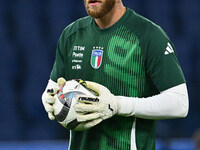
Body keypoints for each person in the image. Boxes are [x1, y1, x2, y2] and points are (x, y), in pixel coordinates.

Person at [42, 0, 189, 149]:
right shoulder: (72, 34)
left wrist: (118, 105)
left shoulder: (149, 34)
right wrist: (49, 99)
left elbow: (180, 103)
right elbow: (52, 87)